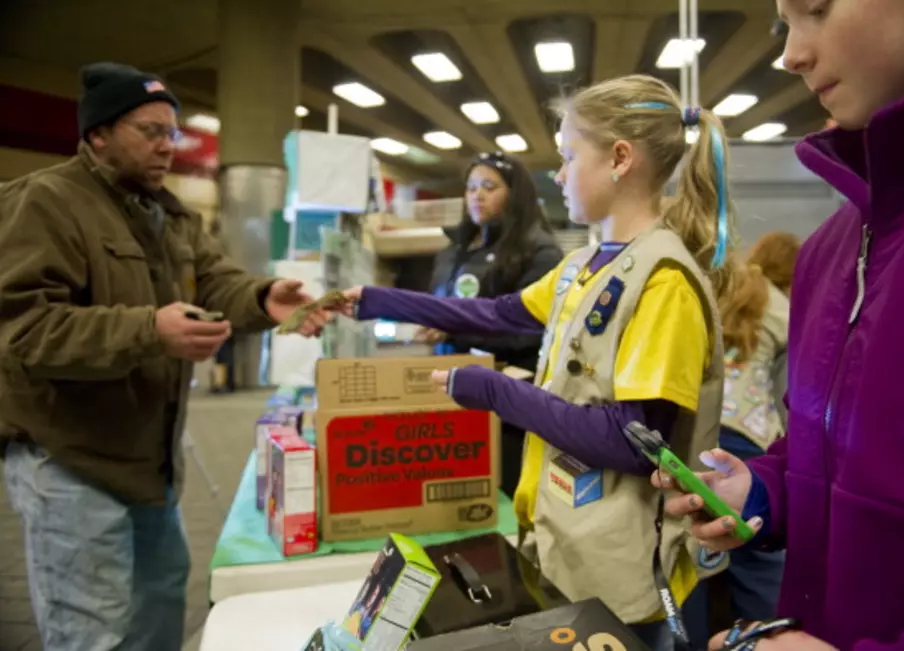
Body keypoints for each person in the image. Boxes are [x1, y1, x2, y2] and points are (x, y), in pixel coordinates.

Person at [328, 73, 739, 649]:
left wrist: (494, 391)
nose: (559, 173)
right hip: (566, 539)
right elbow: (499, 315)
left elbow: (633, 439)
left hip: (623, 567)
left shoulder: (662, 281)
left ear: (620, 158)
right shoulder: (586, 263)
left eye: (569, 156)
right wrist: (371, 301)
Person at [656, 1, 904, 649]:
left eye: (815, 9)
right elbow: (836, 454)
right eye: (783, 25)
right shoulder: (832, 247)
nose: (789, 53)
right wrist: (765, 489)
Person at [0, 62, 328, 651]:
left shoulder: (168, 213)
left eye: (171, 132)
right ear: (98, 133)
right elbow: (23, 331)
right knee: (91, 629)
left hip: (150, 462)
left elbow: (214, 279)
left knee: (159, 609)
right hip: (69, 462)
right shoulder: (44, 202)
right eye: (148, 131)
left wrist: (261, 296)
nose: (167, 146)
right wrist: (149, 330)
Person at [681, 232, 800, 648]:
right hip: (751, 438)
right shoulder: (786, 307)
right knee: (759, 562)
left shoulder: (726, 292)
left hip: (702, 429)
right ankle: (764, 637)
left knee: (696, 550)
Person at [423, 151, 563, 497]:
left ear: (515, 194)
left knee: (504, 487)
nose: (477, 195)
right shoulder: (453, 252)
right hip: (453, 385)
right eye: (471, 187)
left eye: (489, 186)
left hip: (510, 400)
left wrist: (455, 328)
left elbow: (532, 327)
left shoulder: (540, 253)